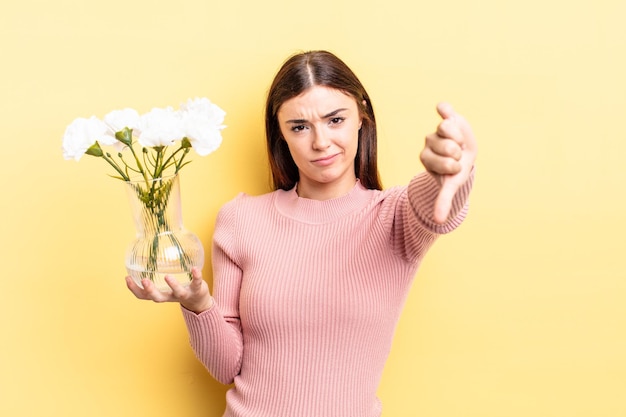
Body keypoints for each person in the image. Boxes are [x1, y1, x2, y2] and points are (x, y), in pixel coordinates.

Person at [127, 50, 477, 417]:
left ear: (361, 116)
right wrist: (197, 304)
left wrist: (452, 170)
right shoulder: (241, 219)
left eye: (335, 120)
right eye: (299, 126)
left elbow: (437, 206)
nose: (321, 142)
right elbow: (226, 367)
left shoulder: (394, 217)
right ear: (280, 133)